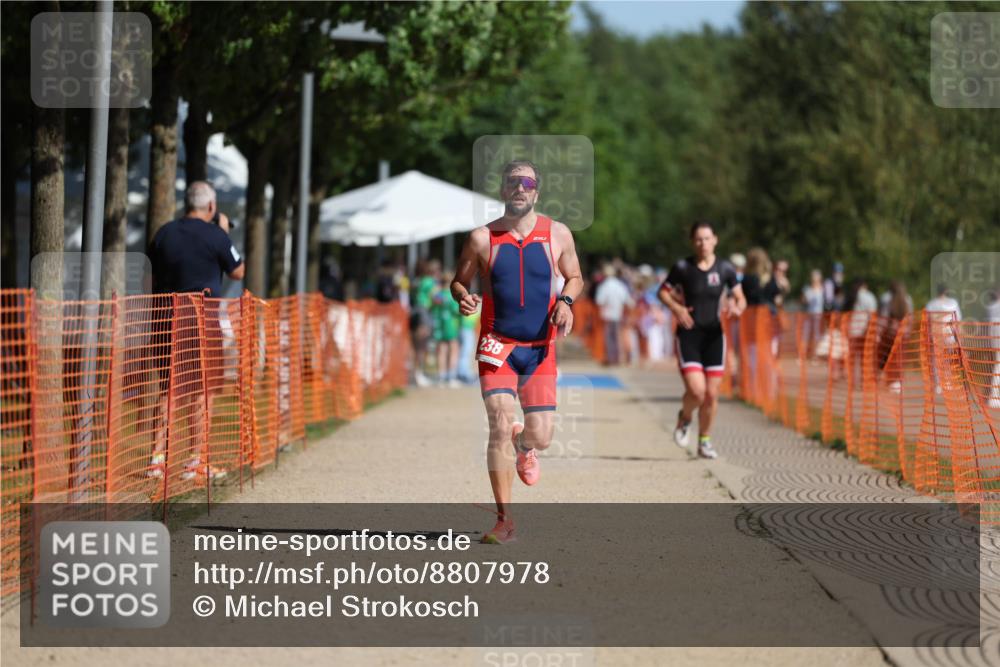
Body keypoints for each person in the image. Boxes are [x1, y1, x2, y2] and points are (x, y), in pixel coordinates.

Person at [451, 160, 583, 544]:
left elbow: (574, 276)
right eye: (513, 182)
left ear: (536, 191)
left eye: (527, 182)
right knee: (498, 421)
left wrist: (567, 302)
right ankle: (504, 519)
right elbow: (458, 282)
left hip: (540, 350)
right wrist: (464, 297)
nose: (520, 188)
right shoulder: (481, 238)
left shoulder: (557, 234)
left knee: (542, 436)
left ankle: (526, 447)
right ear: (503, 191)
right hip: (498, 346)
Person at [146, 181, 245, 482]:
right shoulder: (216, 235)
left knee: (168, 388)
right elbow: (237, 270)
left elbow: (150, 270)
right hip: (202, 320)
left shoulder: (164, 233)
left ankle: (157, 460)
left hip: (166, 317)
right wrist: (225, 233)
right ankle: (195, 459)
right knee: (202, 390)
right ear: (211, 207)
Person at [658, 221, 746, 459]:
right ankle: (685, 418)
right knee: (697, 392)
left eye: (707, 238)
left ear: (715, 240)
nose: (703, 243)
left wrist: (737, 307)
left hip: (715, 337)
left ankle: (704, 440)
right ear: (692, 242)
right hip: (689, 335)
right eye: (698, 239)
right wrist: (677, 309)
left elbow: (740, 297)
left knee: (712, 394)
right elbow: (662, 292)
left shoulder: (726, 269)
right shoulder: (683, 267)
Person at [925, 283, 963, 394]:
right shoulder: (953, 303)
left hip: (935, 333)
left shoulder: (931, 304)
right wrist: (958, 336)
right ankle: (947, 382)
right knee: (948, 359)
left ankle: (938, 385)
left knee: (937, 359)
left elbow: (927, 321)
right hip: (949, 334)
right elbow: (957, 320)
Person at [594, 264, 633, 365]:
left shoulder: (604, 285)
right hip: (618, 315)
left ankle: (611, 358)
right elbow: (628, 300)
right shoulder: (620, 285)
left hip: (607, 315)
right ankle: (618, 358)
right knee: (617, 337)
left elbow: (599, 301)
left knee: (609, 338)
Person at [881, 281, 912, 393]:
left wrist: (882, 332)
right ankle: (898, 381)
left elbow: (884, 319)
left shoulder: (889, 302)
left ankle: (891, 381)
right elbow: (910, 317)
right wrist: (908, 330)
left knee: (891, 357)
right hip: (904, 333)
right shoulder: (908, 300)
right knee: (900, 358)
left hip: (892, 333)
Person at [431, 272, 461, 386]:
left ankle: (441, 376)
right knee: (453, 350)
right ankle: (451, 377)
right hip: (450, 325)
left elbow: (432, 308)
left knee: (441, 351)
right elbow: (456, 310)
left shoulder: (437, 295)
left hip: (439, 324)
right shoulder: (451, 295)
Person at [801, 269, 825, 358]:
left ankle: (815, 354)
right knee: (805, 333)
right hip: (809, 314)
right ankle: (803, 353)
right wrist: (804, 295)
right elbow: (803, 301)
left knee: (816, 334)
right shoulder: (808, 289)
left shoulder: (822, 289)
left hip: (818, 315)